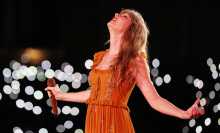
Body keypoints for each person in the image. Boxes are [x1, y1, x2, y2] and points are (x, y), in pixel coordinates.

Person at [45, 9, 205, 133]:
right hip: (93, 123)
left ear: (131, 31)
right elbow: (96, 96)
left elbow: (154, 99)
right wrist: (60, 96)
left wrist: (183, 114)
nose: (116, 14)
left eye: (124, 16)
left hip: (115, 123)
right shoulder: (100, 58)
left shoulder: (134, 59)